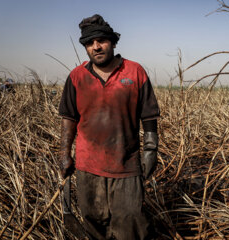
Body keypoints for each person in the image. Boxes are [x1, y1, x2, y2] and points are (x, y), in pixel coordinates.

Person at [58, 14, 160, 240]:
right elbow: (69, 118)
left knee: (130, 222)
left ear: (113, 42)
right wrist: (64, 154)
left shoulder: (135, 72)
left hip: (126, 164)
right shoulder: (76, 77)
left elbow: (149, 114)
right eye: (89, 43)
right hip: (87, 166)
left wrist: (151, 149)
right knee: (94, 221)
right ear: (85, 47)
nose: (96, 47)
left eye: (101, 40)